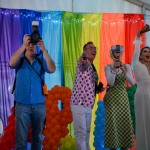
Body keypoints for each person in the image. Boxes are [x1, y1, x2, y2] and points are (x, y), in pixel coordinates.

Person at [9, 34, 56, 150]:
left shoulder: (40, 61)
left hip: (39, 104)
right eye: (28, 44)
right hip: (22, 104)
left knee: (37, 138)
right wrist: (23, 45)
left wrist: (44, 50)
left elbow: (52, 69)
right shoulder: (19, 61)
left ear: (36, 47)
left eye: (33, 45)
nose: (30, 47)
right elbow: (11, 63)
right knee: (20, 139)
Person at [70, 41, 105, 150]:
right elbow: (82, 66)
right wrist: (83, 60)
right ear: (84, 51)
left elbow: (89, 85)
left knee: (86, 133)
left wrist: (98, 89)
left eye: (94, 48)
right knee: (81, 134)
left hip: (88, 105)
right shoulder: (84, 62)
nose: (93, 50)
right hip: (79, 103)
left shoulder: (93, 67)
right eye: (90, 48)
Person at [103, 45, 134, 150]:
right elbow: (111, 82)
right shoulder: (107, 67)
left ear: (122, 53)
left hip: (123, 99)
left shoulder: (127, 66)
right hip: (112, 100)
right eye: (115, 52)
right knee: (113, 125)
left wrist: (123, 70)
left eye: (119, 52)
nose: (117, 54)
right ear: (111, 54)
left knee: (124, 125)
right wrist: (115, 69)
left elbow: (132, 82)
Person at [131, 31, 150, 150]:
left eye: (149, 52)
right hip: (141, 97)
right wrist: (138, 41)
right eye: (145, 51)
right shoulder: (136, 65)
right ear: (141, 55)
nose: (148, 53)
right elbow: (136, 52)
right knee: (142, 123)